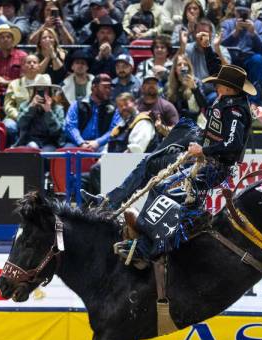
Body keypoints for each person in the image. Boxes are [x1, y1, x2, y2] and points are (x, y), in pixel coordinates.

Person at [105, 64, 253, 211]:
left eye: (219, 83)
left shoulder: (236, 111)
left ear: (228, 88)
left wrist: (204, 150)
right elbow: (208, 110)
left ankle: (152, 227)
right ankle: (109, 202)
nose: (216, 86)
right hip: (202, 160)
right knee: (150, 161)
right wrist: (195, 90)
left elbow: (234, 144)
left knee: (164, 187)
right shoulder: (224, 100)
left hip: (214, 167)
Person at [220, 0, 262, 104]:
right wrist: (235, 33)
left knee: (258, 59)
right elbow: (219, 45)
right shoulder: (227, 24)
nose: (242, 14)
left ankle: (254, 102)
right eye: (239, 11)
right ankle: (225, 99)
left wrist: (253, 33)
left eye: (244, 12)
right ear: (234, 11)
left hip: (250, 58)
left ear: (250, 12)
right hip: (230, 58)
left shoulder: (259, 24)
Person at [63, 73, 120, 150]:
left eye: (110, 87)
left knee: (109, 152)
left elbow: (114, 130)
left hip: (101, 145)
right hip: (77, 143)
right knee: (67, 151)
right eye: (105, 87)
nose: (108, 90)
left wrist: (97, 142)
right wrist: (81, 142)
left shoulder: (114, 108)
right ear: (94, 87)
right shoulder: (77, 104)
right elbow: (70, 126)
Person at [182, 19, 229, 103]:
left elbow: (228, 72)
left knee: (214, 98)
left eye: (205, 32)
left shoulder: (220, 49)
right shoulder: (188, 48)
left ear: (211, 34)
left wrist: (217, 50)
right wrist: (182, 45)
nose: (202, 35)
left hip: (214, 91)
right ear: (194, 34)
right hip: (193, 89)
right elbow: (177, 66)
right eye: (199, 32)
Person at [14, 79, 64, 151]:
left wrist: (49, 112)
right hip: (30, 140)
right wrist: (31, 108)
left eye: (44, 89)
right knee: (32, 147)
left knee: (47, 152)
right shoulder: (25, 106)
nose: (42, 92)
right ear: (35, 91)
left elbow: (57, 131)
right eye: (39, 89)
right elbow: (20, 125)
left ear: (49, 91)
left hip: (50, 142)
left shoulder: (58, 109)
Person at [167, 53, 208, 123]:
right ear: (175, 69)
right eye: (179, 64)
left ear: (189, 68)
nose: (182, 67)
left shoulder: (196, 82)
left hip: (195, 121)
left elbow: (204, 105)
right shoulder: (169, 85)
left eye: (185, 64)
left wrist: (194, 88)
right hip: (176, 122)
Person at [0, 24, 27, 95]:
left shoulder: (22, 57)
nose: (6, 39)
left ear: (13, 40)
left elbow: (25, 81)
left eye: (8, 37)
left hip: (16, 94)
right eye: (2, 37)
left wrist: (5, 82)